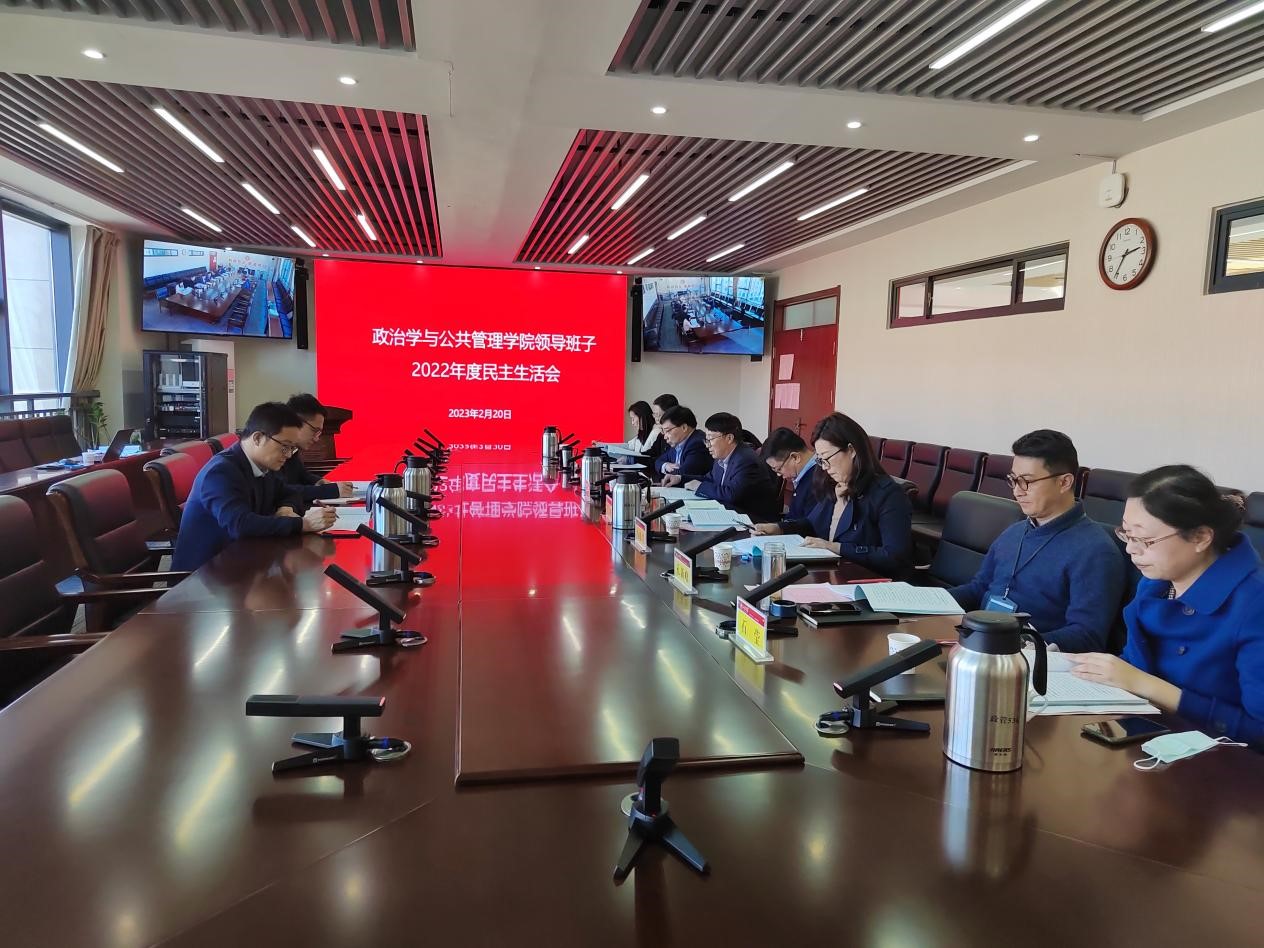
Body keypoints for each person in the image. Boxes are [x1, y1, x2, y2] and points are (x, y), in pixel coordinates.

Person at [1071, 466, 1264, 747]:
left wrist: (1148, 685)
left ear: (1200, 537)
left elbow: (1259, 731)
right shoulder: (1156, 583)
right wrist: (1076, 667)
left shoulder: (1254, 604)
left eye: (1145, 540)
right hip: (1149, 738)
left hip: (1221, 760)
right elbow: (1136, 663)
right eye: (1127, 534)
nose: (1131, 549)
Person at [947, 429, 1126, 652]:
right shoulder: (1015, 531)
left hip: (1029, 658)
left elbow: (1087, 635)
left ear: (1064, 482)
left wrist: (1021, 642)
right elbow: (979, 588)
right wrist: (924, 601)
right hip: (980, 642)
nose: (1017, 491)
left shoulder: (1095, 551)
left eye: (1027, 481)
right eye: (1014, 480)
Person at [172, 402, 337, 572]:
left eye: (292, 448)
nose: (288, 455)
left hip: (243, 562)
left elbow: (290, 493)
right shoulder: (220, 472)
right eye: (284, 447)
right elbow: (240, 524)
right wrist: (303, 524)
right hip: (204, 575)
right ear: (258, 438)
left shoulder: (262, 464)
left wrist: (286, 508)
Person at [771, 412, 913, 577]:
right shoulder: (834, 485)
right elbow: (811, 524)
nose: (825, 467)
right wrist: (777, 528)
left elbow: (895, 557)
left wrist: (836, 548)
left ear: (851, 450)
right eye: (820, 460)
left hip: (867, 581)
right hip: (833, 574)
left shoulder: (888, 494)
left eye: (827, 458)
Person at [669, 412, 780, 519]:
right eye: (706, 440)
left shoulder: (745, 460)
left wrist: (700, 486)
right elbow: (710, 479)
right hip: (731, 513)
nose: (707, 445)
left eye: (710, 439)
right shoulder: (722, 456)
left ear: (729, 438)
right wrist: (680, 478)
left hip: (753, 519)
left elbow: (732, 494)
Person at [283, 394, 354, 505]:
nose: (316, 439)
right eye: (314, 431)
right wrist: (330, 490)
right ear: (295, 422)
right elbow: (282, 490)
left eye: (319, 433)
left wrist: (318, 481)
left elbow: (302, 474)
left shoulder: (293, 449)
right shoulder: (276, 450)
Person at [754, 427, 818, 529]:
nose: (778, 475)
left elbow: (811, 526)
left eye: (778, 469)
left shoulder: (818, 481)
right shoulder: (805, 475)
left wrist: (779, 529)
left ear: (795, 457)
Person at [654, 405, 710, 481]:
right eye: (663, 432)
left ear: (684, 427)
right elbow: (658, 461)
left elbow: (683, 474)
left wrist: (668, 470)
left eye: (667, 431)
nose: (665, 437)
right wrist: (666, 465)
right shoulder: (677, 443)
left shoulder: (697, 444)